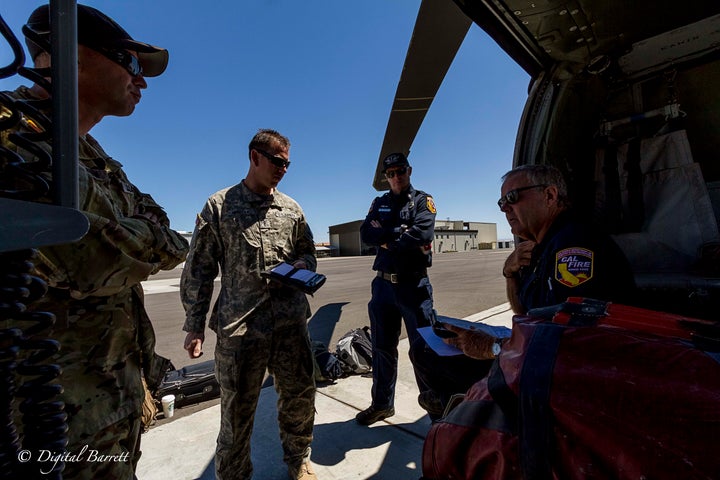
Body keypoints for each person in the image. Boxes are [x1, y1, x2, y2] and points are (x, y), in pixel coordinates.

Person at [0, 4, 188, 478]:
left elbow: (167, 235)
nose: (140, 80)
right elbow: (94, 260)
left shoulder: (94, 157)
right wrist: (134, 233)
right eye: (130, 62)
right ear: (72, 55)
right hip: (43, 427)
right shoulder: (13, 136)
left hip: (109, 410)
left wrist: (127, 229)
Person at [411, 164, 636, 410]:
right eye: (501, 202)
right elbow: (524, 314)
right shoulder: (538, 249)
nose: (505, 208)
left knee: (429, 353)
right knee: (428, 347)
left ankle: (462, 415)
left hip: (567, 377)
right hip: (538, 352)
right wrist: (509, 274)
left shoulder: (573, 245)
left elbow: (568, 349)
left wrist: (493, 347)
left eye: (512, 197)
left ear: (549, 196)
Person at [180, 129, 317, 480]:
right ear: (254, 156)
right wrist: (195, 324)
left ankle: (298, 460)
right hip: (241, 330)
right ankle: (234, 475)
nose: (283, 169)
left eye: (288, 163)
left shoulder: (291, 209)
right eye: (277, 161)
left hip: (290, 325)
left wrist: (303, 265)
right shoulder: (220, 206)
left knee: (300, 397)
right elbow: (199, 269)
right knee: (237, 413)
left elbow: (308, 253)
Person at [356, 152, 437, 425]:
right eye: (390, 173)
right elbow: (366, 234)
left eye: (400, 171)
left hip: (413, 285)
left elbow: (423, 233)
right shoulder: (379, 202)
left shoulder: (423, 202)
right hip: (382, 287)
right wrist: (399, 233)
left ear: (409, 170)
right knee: (382, 348)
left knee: (423, 350)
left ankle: (436, 410)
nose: (396, 177)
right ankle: (381, 405)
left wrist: (387, 237)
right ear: (386, 177)